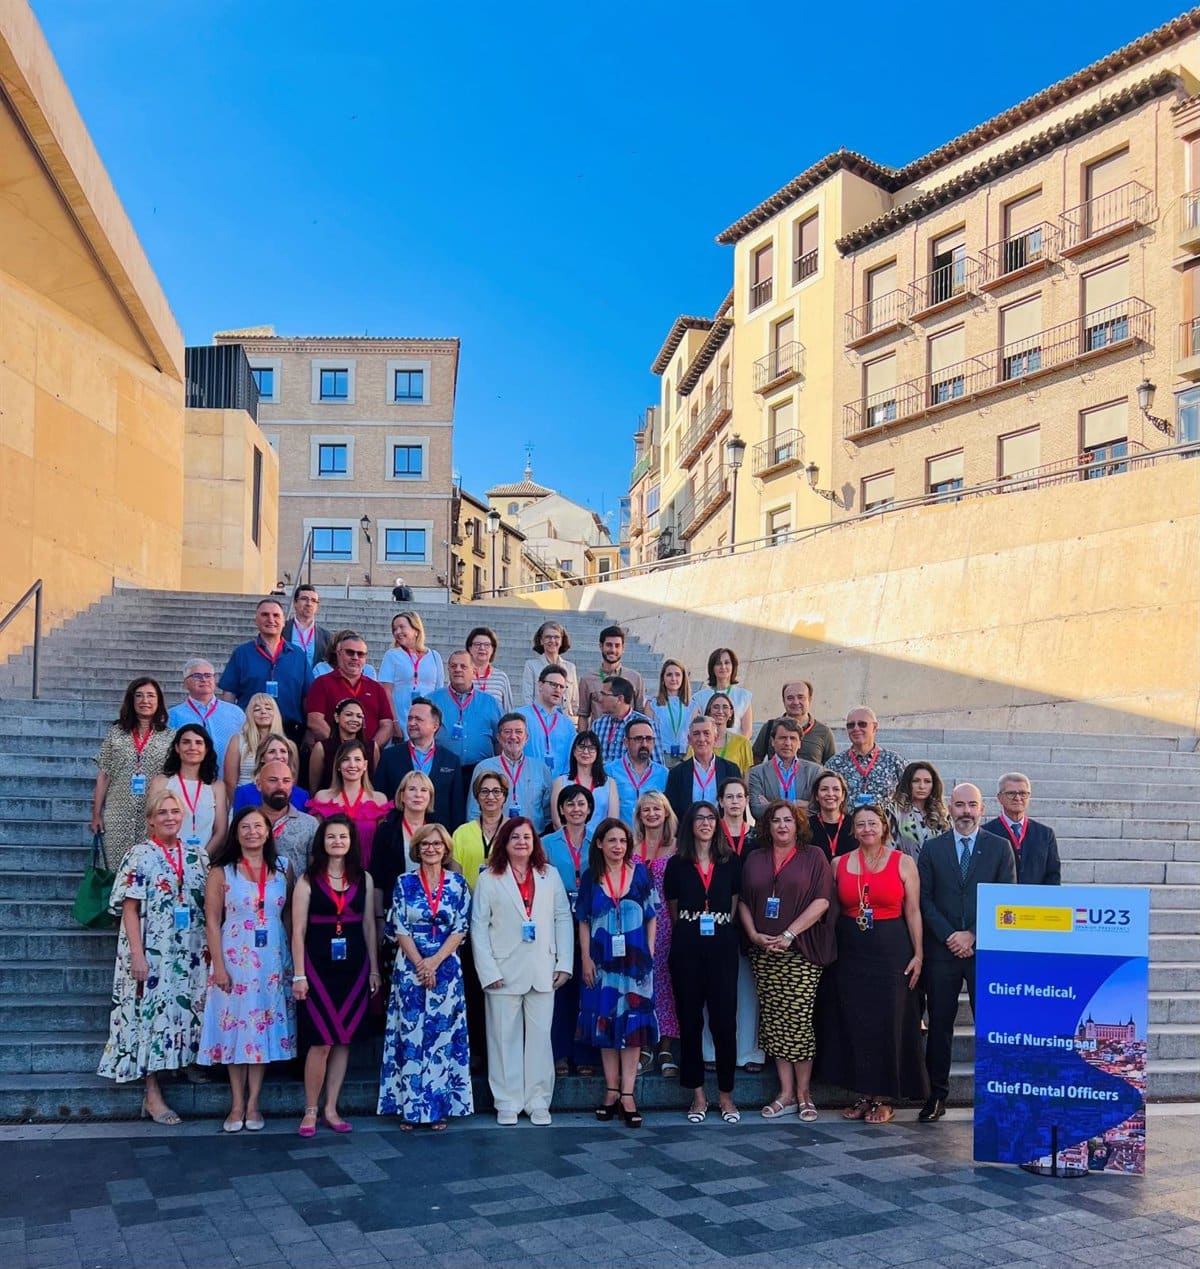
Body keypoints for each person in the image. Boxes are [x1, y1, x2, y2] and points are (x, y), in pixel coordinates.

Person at [97, 788, 207, 1124]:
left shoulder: (197, 854)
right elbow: (129, 909)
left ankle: (183, 1060)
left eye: (175, 811)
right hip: (152, 949)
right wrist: (137, 954)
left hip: (189, 948)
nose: (170, 817)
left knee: (186, 1007)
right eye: (162, 813)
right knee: (149, 1014)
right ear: (150, 821)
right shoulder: (139, 855)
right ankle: (152, 1089)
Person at [820, 804, 926, 1125]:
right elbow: (831, 910)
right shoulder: (838, 863)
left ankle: (884, 1097)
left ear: (884, 827)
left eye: (873, 823)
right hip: (851, 951)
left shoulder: (903, 862)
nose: (867, 829)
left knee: (887, 1021)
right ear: (853, 830)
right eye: (860, 824)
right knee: (855, 1021)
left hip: (892, 949)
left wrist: (918, 954)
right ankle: (863, 1094)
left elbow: (913, 912)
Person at [917, 783, 1016, 1123]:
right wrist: (950, 936)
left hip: (983, 951)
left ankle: (995, 1098)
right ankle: (936, 1097)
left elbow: (1006, 901)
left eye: (972, 805)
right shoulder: (932, 849)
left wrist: (973, 934)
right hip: (942, 952)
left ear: (982, 808)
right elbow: (924, 901)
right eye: (959, 805)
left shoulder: (999, 848)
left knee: (990, 1025)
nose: (965, 812)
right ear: (949, 807)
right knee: (940, 1025)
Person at [199, 806, 297, 1132]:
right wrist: (219, 966)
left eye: (258, 826)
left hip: (271, 959)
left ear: (268, 832)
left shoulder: (284, 868)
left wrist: (291, 963)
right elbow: (212, 920)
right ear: (236, 832)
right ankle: (236, 1102)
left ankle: (254, 1102)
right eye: (245, 827)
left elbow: (287, 917)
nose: (252, 832)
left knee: (261, 1028)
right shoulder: (221, 871)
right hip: (234, 957)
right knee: (236, 1027)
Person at [471, 817, 573, 1125]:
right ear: (504, 841)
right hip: (502, 970)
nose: (521, 842)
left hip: (543, 968)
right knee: (503, 1039)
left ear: (535, 842)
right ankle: (507, 1100)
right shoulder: (490, 878)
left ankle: (538, 1100)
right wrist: (487, 971)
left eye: (527, 837)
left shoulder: (548, 875)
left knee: (541, 1039)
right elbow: (478, 926)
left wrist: (564, 963)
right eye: (514, 837)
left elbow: (562, 918)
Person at [739, 799, 835, 1122]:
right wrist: (753, 935)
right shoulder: (754, 858)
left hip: (800, 950)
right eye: (775, 821)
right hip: (763, 952)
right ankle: (785, 1093)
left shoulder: (814, 857)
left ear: (798, 826)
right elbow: (742, 902)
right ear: (766, 826)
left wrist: (789, 934)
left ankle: (805, 1093)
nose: (782, 826)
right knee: (774, 1021)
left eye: (788, 821)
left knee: (798, 1020)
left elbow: (822, 901)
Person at [378, 824, 473, 1130]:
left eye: (437, 844)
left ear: (446, 849)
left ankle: (438, 1108)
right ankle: (410, 1108)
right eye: (425, 845)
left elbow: (461, 927)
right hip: (410, 968)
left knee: (442, 1039)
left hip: (445, 968)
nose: (431, 849)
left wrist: (434, 962)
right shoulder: (404, 883)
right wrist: (421, 963)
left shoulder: (458, 884)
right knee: (411, 1038)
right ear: (416, 849)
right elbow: (399, 927)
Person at [291, 813, 380, 1136]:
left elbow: (369, 925)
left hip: (354, 968)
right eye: (331, 837)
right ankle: (311, 1109)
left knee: (343, 1040)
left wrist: (373, 969)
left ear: (351, 841)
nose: (337, 842)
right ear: (322, 842)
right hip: (317, 966)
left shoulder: (364, 878)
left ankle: (332, 1107)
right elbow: (298, 929)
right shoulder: (307, 879)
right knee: (321, 1041)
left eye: (343, 837)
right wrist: (299, 974)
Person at [576, 819, 659, 1128]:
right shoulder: (590, 877)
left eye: (622, 841)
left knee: (634, 1026)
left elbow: (652, 915)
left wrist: (649, 952)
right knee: (606, 1022)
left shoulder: (640, 874)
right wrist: (585, 958)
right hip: (601, 963)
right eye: (611, 840)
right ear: (599, 843)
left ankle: (628, 1093)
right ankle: (611, 1090)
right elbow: (583, 920)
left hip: (636, 963)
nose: (617, 846)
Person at [665, 803, 743, 1124]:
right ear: (689, 825)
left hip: (722, 947)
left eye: (711, 818)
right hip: (687, 948)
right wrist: (695, 925)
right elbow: (673, 910)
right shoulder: (676, 865)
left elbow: (735, 905)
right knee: (691, 1021)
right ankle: (698, 1096)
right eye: (699, 818)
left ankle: (726, 1096)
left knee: (725, 1023)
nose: (706, 823)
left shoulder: (731, 862)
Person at [705, 776, 763, 1074]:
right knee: (712, 986)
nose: (735, 802)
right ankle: (710, 1050)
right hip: (715, 918)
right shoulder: (711, 836)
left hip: (750, 917)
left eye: (740, 796)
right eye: (729, 797)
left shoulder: (756, 837)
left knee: (747, 987)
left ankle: (748, 1051)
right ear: (720, 801)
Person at [542, 784, 599, 1076]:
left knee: (588, 987)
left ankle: (587, 1054)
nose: (576, 809)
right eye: (570, 804)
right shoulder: (547, 842)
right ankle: (560, 1054)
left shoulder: (598, 841)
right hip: (558, 917)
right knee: (561, 987)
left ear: (589, 809)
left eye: (581, 804)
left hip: (592, 916)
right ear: (561, 810)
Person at [91, 677, 175, 870]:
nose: (145, 700)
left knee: (149, 870)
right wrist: (96, 814)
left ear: (159, 701)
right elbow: (104, 775)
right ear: (131, 700)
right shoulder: (116, 732)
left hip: (153, 814)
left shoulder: (170, 736)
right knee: (115, 869)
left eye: (150, 696)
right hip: (118, 812)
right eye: (139, 696)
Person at [217, 597, 313, 746]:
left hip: (290, 732)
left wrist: (309, 730)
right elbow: (229, 695)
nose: (271, 619)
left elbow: (308, 697)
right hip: (250, 731)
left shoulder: (298, 655)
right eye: (265, 615)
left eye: (276, 615)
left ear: (283, 621)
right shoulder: (242, 653)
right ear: (256, 620)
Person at [632, 790, 679, 1076]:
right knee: (641, 983)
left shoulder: (677, 847)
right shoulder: (630, 847)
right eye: (646, 809)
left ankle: (666, 1048)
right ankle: (644, 1044)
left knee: (667, 983)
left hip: (668, 923)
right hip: (636, 923)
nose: (651, 814)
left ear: (666, 813)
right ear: (639, 815)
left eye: (656, 809)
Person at [374, 698, 465, 830]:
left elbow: (456, 807)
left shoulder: (450, 760)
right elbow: (380, 797)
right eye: (410, 718)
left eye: (418, 719)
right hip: (397, 833)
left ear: (435, 726)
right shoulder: (389, 756)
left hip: (437, 837)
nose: (412, 723)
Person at [306, 739, 390, 870]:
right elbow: (315, 844)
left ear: (365, 765)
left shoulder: (379, 800)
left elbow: (383, 846)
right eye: (346, 759)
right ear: (338, 765)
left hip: (368, 871)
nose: (352, 764)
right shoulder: (323, 798)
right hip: (330, 872)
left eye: (357, 759)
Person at [149, 723, 228, 860]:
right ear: (177, 748)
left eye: (198, 743)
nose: (192, 747)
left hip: (205, 861)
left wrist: (201, 859)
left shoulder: (217, 786)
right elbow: (152, 824)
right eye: (186, 742)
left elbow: (220, 831)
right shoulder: (161, 782)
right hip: (167, 860)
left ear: (206, 749)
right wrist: (170, 857)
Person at [305, 631, 395, 749]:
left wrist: (368, 749)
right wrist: (343, 749)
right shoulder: (321, 683)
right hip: (332, 755)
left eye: (360, 654)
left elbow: (387, 725)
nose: (355, 658)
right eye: (350, 652)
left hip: (367, 759)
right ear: (338, 654)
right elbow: (315, 721)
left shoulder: (377, 688)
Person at [467, 714, 551, 828]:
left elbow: (548, 812)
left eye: (518, 732)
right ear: (499, 738)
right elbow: (473, 812)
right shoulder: (483, 768)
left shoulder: (541, 769)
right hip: (495, 839)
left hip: (532, 839)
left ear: (526, 737)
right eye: (507, 732)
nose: (513, 736)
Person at [430, 651, 502, 783]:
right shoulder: (432, 700)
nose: (457, 670)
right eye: (453, 666)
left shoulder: (490, 702)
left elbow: (499, 740)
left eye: (463, 666)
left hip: (480, 771)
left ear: (474, 671)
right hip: (442, 770)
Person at [983, 773, 1062, 886]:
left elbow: (1053, 875)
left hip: (1035, 901)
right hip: (1001, 901)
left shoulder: (1045, 834)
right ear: (999, 798)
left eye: (1023, 793)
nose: (1018, 798)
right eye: (1011, 793)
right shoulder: (986, 833)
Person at [372, 771, 438, 904]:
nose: (418, 794)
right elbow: (377, 879)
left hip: (432, 906)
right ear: (402, 796)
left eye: (424, 790)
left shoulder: (438, 830)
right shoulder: (386, 831)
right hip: (395, 905)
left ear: (430, 797)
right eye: (412, 789)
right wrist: (379, 917)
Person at [167, 659, 244, 768]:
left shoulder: (235, 713)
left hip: (227, 780)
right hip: (188, 781)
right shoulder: (173, 716)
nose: (203, 679)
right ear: (185, 683)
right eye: (197, 676)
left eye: (208, 675)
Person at [665, 716, 739, 824]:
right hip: (688, 835)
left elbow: (738, 809)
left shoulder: (730, 770)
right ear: (689, 740)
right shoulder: (677, 773)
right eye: (696, 734)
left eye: (706, 733)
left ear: (716, 737)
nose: (701, 739)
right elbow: (672, 814)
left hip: (722, 834)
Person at [827, 707, 906, 805]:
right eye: (851, 725)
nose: (856, 728)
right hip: (848, 820)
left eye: (862, 724)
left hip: (886, 820)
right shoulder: (834, 764)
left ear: (874, 727)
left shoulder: (894, 761)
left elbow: (908, 795)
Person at [747, 718, 823, 820]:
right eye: (782, 738)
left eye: (792, 738)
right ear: (773, 741)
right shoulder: (757, 773)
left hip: (807, 833)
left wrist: (771, 805)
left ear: (799, 743)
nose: (787, 743)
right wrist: (798, 804)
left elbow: (819, 808)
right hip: (770, 833)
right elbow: (757, 810)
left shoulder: (815, 771)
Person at [378, 610, 446, 725]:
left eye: (401, 627)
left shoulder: (434, 656)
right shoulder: (392, 655)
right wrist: (394, 722)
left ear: (416, 630)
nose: (397, 632)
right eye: (394, 629)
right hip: (401, 718)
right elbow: (386, 692)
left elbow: (439, 691)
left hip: (426, 720)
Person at [255, 760, 319, 877]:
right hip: (252, 893)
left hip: (296, 893)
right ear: (259, 785)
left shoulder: (310, 824)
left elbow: (316, 873)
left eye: (286, 781)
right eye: (273, 780)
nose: (280, 786)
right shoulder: (247, 822)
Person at [752, 680, 837, 766]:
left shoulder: (824, 733)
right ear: (783, 701)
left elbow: (831, 768)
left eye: (801, 697)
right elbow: (754, 761)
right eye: (790, 698)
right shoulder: (769, 727)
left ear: (810, 699)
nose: (796, 702)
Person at [452, 770, 510, 888]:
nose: (490, 796)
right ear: (477, 797)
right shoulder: (461, 833)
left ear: (504, 796)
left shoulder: (515, 831)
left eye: (496, 791)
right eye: (484, 791)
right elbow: (456, 878)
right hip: (470, 901)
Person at [577, 625, 646, 726]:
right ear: (601, 646)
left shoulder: (635, 678)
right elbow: (583, 715)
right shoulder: (587, 679)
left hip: (627, 737)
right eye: (609, 645)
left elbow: (639, 712)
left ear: (623, 648)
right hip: (599, 736)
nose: (613, 650)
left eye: (617, 645)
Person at [308, 698, 379, 793]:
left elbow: (376, 782)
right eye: (349, 715)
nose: (354, 719)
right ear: (337, 717)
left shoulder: (372, 747)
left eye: (359, 716)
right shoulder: (322, 748)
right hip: (330, 803)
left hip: (363, 803)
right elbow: (314, 786)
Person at [222, 693, 285, 799]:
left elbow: (291, 779)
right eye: (256, 709)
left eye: (268, 708)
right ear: (250, 714)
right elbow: (230, 781)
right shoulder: (237, 740)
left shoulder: (287, 744)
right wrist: (239, 805)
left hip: (277, 802)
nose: (263, 712)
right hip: (244, 800)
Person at [604, 722, 668, 825]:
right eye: (638, 739)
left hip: (652, 838)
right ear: (626, 742)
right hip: (622, 838)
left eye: (648, 739)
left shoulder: (663, 774)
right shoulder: (609, 771)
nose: (644, 744)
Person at [517, 665, 575, 778]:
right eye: (553, 684)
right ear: (540, 685)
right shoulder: (520, 717)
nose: (557, 690)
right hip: (527, 781)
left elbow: (570, 760)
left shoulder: (567, 725)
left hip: (558, 785)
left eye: (562, 687)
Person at [593, 677, 664, 765]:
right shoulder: (598, 725)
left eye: (604, 695)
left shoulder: (646, 725)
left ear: (619, 699)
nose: (600, 699)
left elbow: (657, 764)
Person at [891, 762, 950, 861]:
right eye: (916, 781)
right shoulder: (894, 811)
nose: (922, 786)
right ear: (908, 783)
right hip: (904, 872)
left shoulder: (942, 814)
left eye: (927, 781)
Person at [232, 733, 308, 812]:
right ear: (262, 758)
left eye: (283, 751)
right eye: (272, 752)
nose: (278, 756)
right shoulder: (243, 793)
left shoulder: (302, 796)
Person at [521, 620, 579, 718]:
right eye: (548, 637)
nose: (552, 641)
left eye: (556, 637)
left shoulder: (570, 668)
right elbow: (527, 699)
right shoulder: (531, 666)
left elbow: (575, 702)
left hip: (563, 721)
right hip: (539, 720)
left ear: (561, 641)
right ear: (541, 640)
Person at [692, 648, 753, 739]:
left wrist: (735, 748)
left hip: (735, 750)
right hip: (709, 749)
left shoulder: (743, 696)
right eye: (718, 664)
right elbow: (694, 728)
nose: (723, 667)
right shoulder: (700, 697)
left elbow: (747, 732)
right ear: (712, 668)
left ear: (733, 666)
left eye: (727, 663)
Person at [649, 659, 697, 764]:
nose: (673, 678)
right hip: (660, 757)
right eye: (669, 675)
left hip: (685, 757)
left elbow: (695, 734)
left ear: (683, 678)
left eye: (677, 675)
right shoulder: (652, 704)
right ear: (663, 678)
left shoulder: (692, 705)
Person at [807, 769, 858, 860]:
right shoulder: (807, 826)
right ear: (816, 796)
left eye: (836, 789)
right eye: (824, 789)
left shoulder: (855, 824)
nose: (830, 794)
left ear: (843, 796)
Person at [282, 583, 332, 670]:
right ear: (295, 603)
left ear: (317, 606)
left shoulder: (326, 637)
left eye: (313, 600)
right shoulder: (282, 630)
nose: (309, 603)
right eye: (304, 599)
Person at [466, 626, 513, 713]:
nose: (482, 648)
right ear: (470, 648)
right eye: (477, 644)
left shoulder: (501, 677)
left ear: (493, 649)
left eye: (487, 645)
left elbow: (508, 710)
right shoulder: (461, 674)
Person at [704, 693, 753, 775]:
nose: (720, 711)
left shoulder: (742, 743)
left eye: (725, 707)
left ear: (731, 713)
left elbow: (747, 776)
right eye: (716, 707)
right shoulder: (699, 742)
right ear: (709, 712)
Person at [312, 627, 379, 681]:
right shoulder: (321, 668)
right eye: (349, 652)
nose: (355, 657)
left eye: (359, 653)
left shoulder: (368, 670)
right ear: (337, 651)